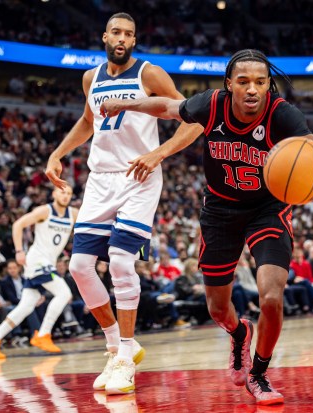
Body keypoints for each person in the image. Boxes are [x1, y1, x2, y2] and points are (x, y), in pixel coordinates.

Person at [99, 49, 313, 405]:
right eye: (243, 81)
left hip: (267, 209)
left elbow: (310, 150)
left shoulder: (282, 113)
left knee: (272, 295)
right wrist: (126, 104)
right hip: (220, 212)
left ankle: (259, 374)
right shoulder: (211, 104)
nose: (252, 89)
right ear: (229, 84)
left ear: (268, 85)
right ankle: (239, 332)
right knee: (217, 308)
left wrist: (306, 164)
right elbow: (167, 108)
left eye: (260, 82)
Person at [44, 12, 203, 395]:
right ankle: (118, 348)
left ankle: (124, 357)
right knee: (80, 266)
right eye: (116, 31)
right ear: (104, 36)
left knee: (118, 259)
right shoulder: (91, 78)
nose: (122, 38)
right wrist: (58, 153)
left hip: (139, 176)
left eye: (128, 34)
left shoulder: (150, 73)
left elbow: (194, 120)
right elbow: (88, 120)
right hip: (100, 179)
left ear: (134, 40)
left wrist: (158, 154)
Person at [0, 185, 78, 358]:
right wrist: (19, 250)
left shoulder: (74, 214)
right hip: (37, 260)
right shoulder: (44, 211)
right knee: (64, 293)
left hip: (48, 262)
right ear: (54, 193)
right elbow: (18, 224)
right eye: (62, 192)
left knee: (26, 306)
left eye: (69, 193)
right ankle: (43, 334)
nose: (66, 196)